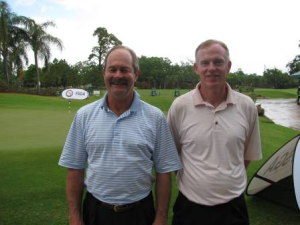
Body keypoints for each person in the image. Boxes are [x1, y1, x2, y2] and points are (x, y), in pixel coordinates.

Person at [59, 45, 182, 225]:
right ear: (104, 73)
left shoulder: (155, 117)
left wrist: (161, 217)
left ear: (136, 74)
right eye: (112, 69)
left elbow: (164, 172)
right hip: (96, 212)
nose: (118, 75)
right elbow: (74, 169)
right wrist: (74, 217)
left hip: (140, 213)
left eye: (125, 70)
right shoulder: (84, 115)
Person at [167, 39, 262, 225]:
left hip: (233, 208)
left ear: (228, 66)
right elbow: (172, 155)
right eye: (205, 63)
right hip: (190, 207)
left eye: (218, 62)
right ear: (196, 68)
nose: (212, 68)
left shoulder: (246, 106)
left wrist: (227, 180)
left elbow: (246, 155)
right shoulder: (180, 107)